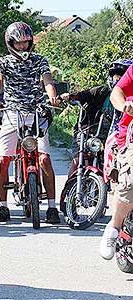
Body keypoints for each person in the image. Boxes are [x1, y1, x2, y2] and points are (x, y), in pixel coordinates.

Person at [0, 22, 61, 224]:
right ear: (10, 43)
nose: (23, 47)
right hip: (12, 113)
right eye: (18, 43)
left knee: (44, 159)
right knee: (3, 160)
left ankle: (52, 207)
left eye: (26, 43)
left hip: (37, 112)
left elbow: (47, 81)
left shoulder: (39, 60)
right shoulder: (2, 62)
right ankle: (3, 206)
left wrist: (52, 97)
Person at [60, 59, 132, 177]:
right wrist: (68, 97)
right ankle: (70, 190)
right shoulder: (100, 91)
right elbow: (82, 95)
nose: (118, 79)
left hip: (112, 137)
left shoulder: (130, 98)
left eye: (122, 76)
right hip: (88, 132)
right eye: (116, 76)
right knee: (79, 160)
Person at [99, 62, 133, 260]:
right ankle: (113, 229)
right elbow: (116, 92)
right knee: (130, 182)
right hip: (130, 132)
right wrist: (124, 106)